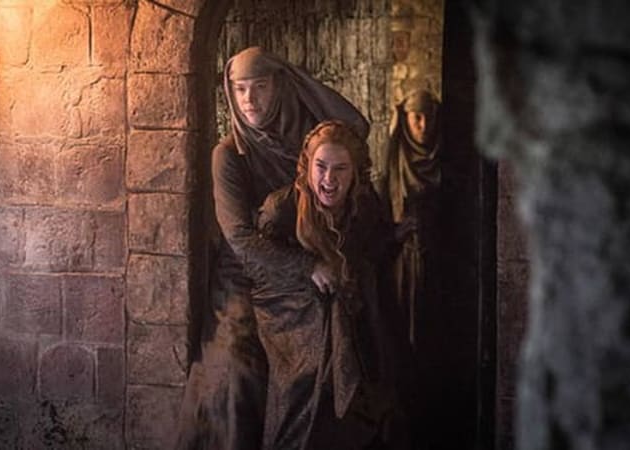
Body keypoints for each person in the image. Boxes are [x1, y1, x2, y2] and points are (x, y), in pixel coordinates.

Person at [174, 47, 369, 450]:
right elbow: (240, 239)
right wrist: (307, 265)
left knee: (334, 347)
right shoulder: (228, 156)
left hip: (305, 269)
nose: (249, 100)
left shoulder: (307, 141)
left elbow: (354, 128)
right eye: (240, 89)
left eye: (260, 87)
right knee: (235, 368)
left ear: (280, 86)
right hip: (245, 276)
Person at [251, 120, 408, 450]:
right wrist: (307, 269)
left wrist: (396, 235)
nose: (329, 179)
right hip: (292, 319)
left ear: (355, 173)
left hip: (348, 306)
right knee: (319, 353)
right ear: (307, 166)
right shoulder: (282, 209)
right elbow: (260, 264)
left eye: (340, 169)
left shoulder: (363, 205)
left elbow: (372, 249)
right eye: (321, 167)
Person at [375, 88, 441, 346]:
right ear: (405, 119)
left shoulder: (446, 159)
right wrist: (395, 234)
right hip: (400, 261)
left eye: (429, 117)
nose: (424, 125)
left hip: (437, 258)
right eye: (417, 118)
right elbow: (375, 219)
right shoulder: (393, 163)